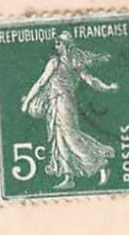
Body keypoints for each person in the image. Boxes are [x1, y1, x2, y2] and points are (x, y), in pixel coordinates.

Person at [20, 31, 118, 190]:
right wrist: (107, 88)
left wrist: (106, 88)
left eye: (58, 43)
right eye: (56, 43)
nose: (56, 46)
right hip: (56, 102)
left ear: (66, 45)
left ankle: (101, 164)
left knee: (71, 136)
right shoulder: (63, 62)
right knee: (60, 139)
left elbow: (89, 80)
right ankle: (68, 177)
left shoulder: (63, 63)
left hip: (64, 102)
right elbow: (41, 82)